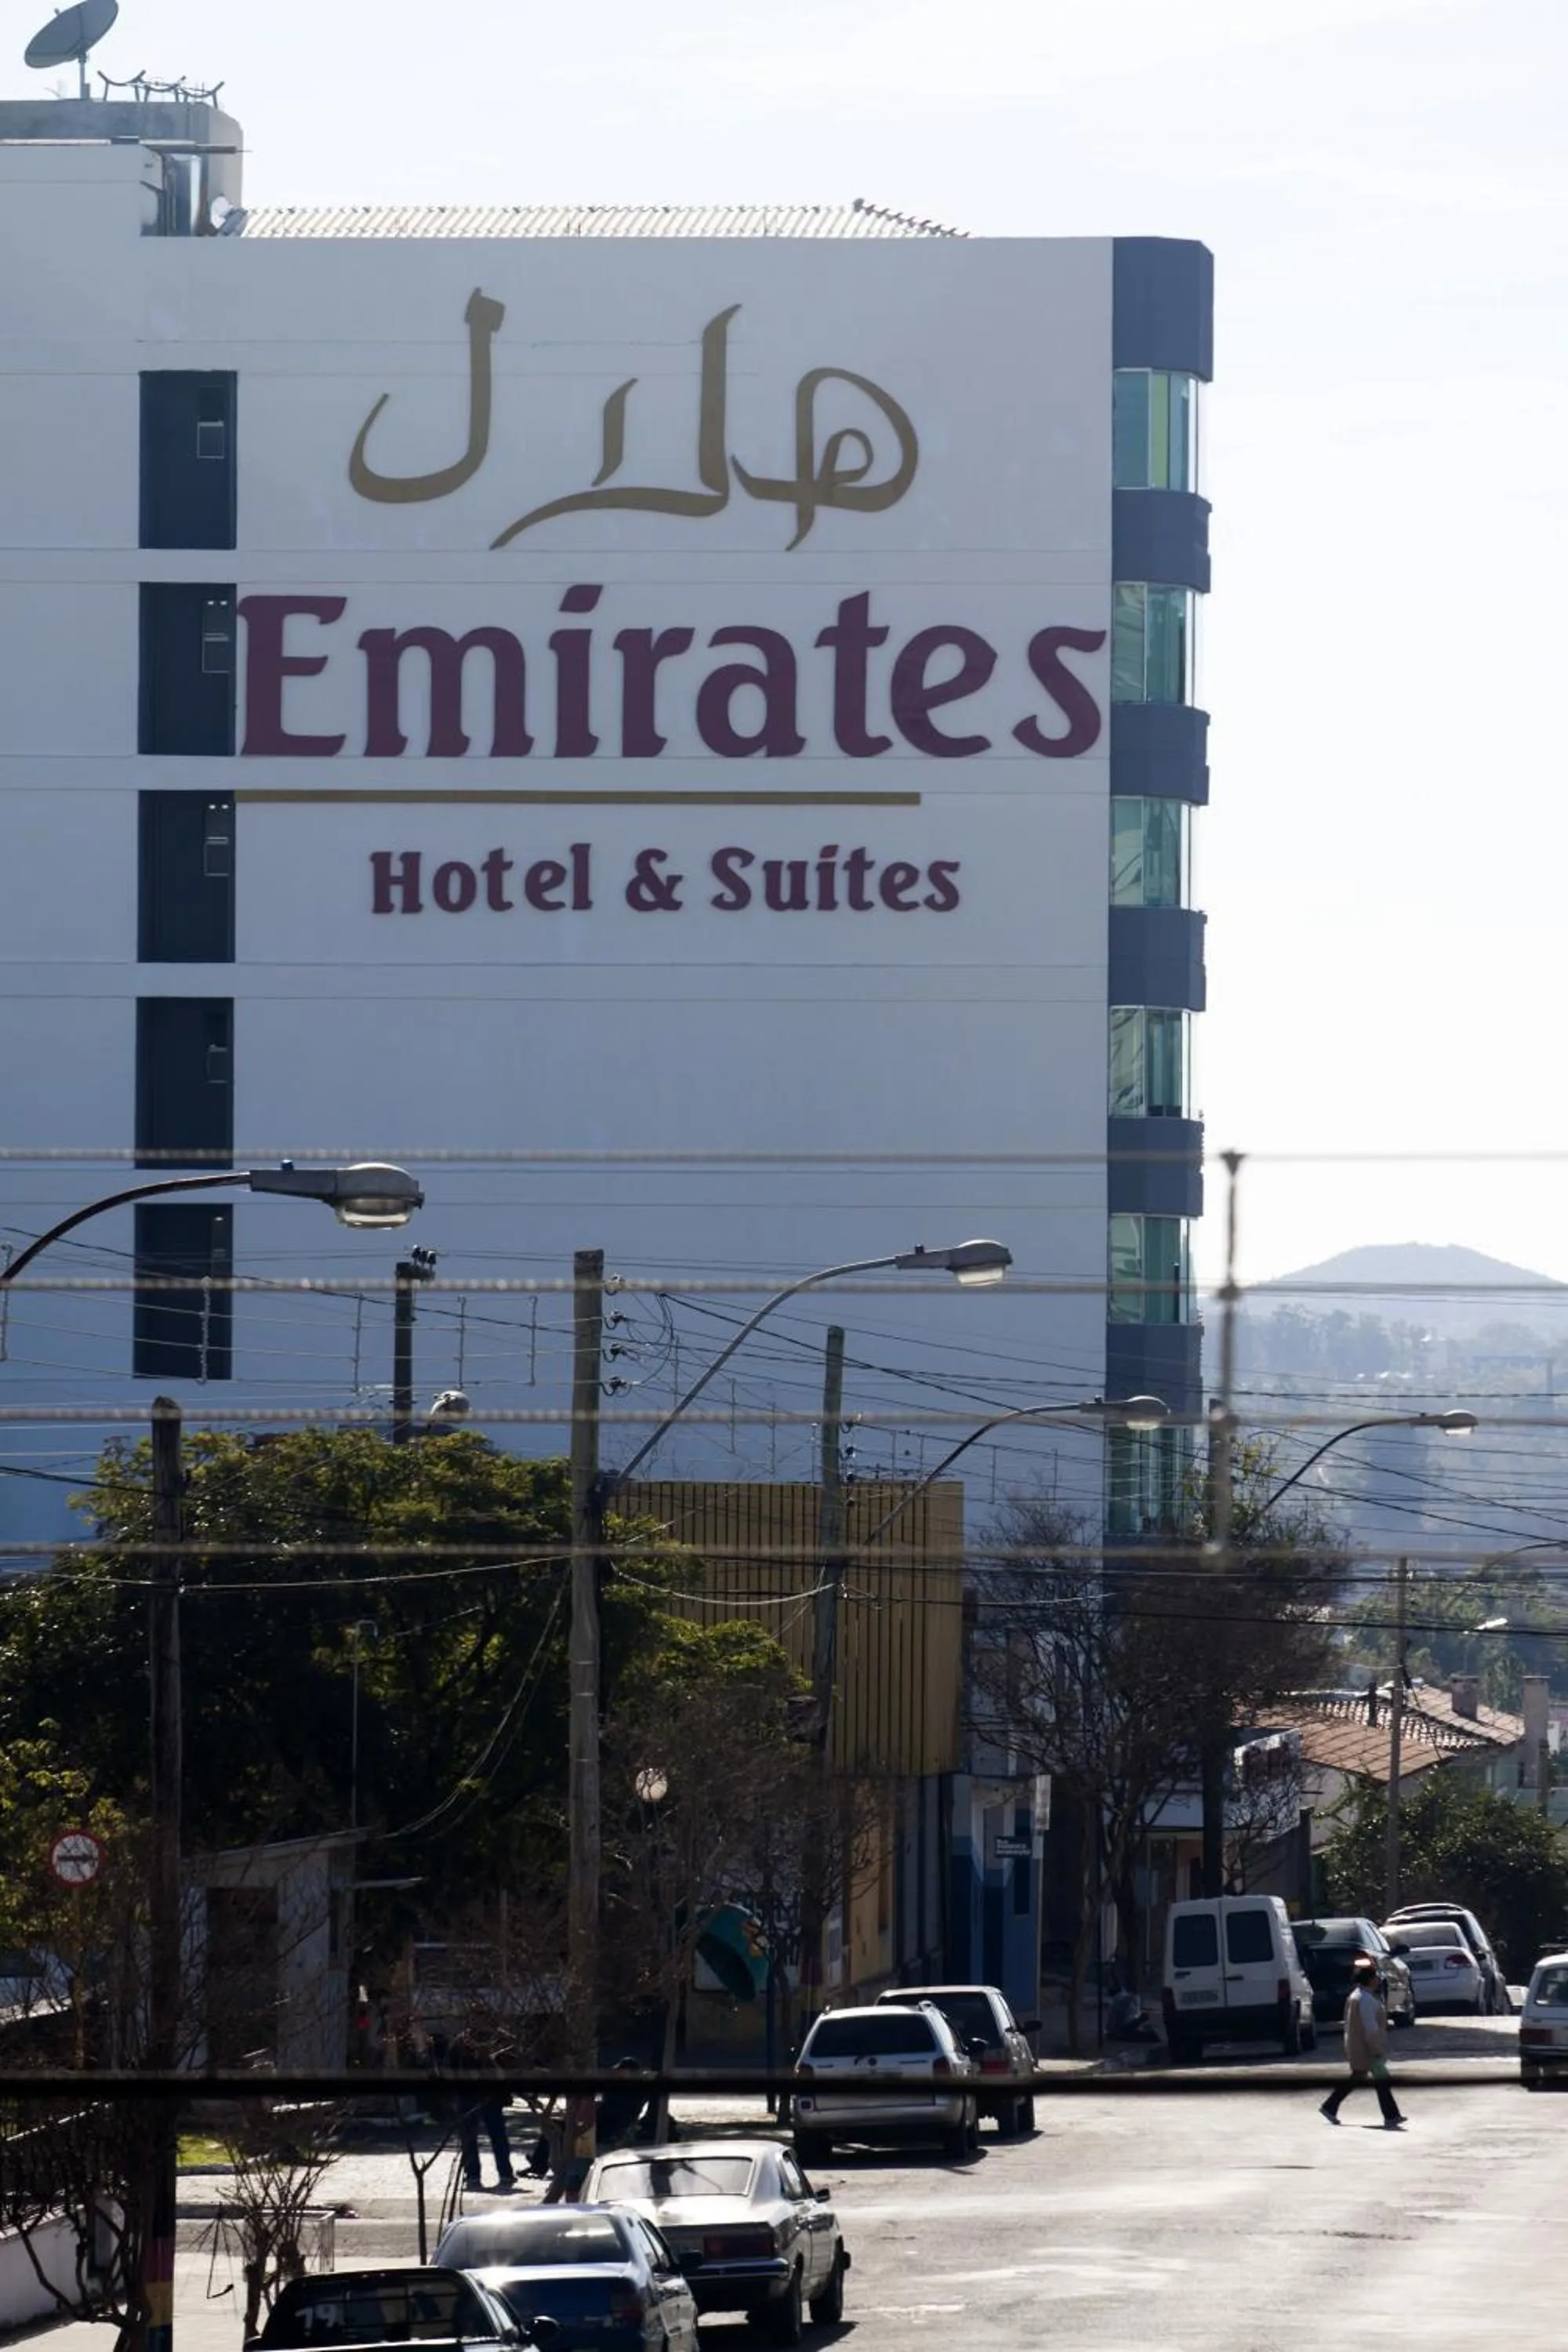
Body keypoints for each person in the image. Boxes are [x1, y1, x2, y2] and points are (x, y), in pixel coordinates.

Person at [1319, 1956, 1406, 2129]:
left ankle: (1330, 2106)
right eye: (1375, 1978)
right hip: (1367, 2047)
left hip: (1359, 2046)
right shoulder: (1365, 2000)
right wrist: (1377, 2049)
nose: (1378, 1981)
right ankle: (1391, 2116)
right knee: (1380, 2081)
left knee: (1360, 2078)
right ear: (1370, 1980)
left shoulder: (1358, 1996)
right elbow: (1370, 2027)